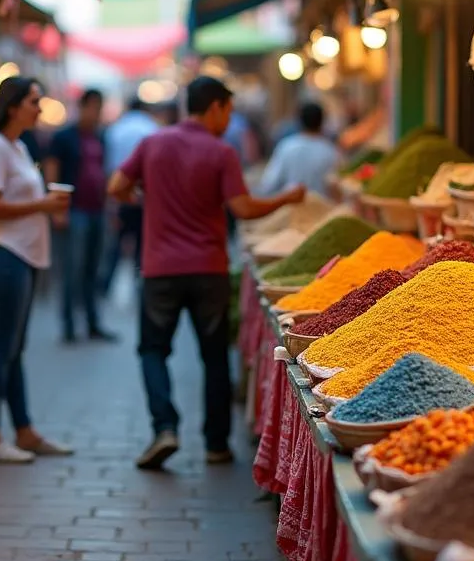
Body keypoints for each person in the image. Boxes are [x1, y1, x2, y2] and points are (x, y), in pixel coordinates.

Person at [108, 77, 304, 470]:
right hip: (208, 269)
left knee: (152, 350)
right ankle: (216, 444)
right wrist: (287, 197)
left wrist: (142, 196)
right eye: (227, 111)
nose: (228, 120)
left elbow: (116, 186)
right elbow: (244, 209)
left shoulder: (153, 144)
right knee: (213, 356)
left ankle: (165, 427)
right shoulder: (221, 152)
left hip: (161, 269)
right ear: (214, 107)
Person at [0, 76, 74, 463]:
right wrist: (43, 206)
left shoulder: (16, 146)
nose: (40, 107)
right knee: (1, 348)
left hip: (25, 256)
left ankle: (24, 430)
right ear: (13, 105)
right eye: (34, 100)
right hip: (4, 254)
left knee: (14, 349)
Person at [44, 89, 116, 343]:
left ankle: (93, 322)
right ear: (83, 107)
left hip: (96, 210)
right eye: (94, 107)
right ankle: (69, 326)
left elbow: (103, 173)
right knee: (72, 270)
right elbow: (52, 171)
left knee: (93, 269)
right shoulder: (64, 137)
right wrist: (57, 209)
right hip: (74, 211)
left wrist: (110, 208)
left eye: (99, 108)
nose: (96, 113)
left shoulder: (101, 137)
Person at [100, 96, 158, 295]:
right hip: (144, 197)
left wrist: (112, 202)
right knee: (142, 244)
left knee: (116, 243)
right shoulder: (151, 128)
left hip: (120, 194)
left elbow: (109, 168)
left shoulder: (116, 129)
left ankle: (105, 284)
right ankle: (140, 282)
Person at [259, 102, 339, 197]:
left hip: (291, 207)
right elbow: (336, 186)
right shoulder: (330, 151)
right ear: (322, 122)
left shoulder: (287, 146)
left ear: (299, 121)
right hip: (323, 209)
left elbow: (269, 184)